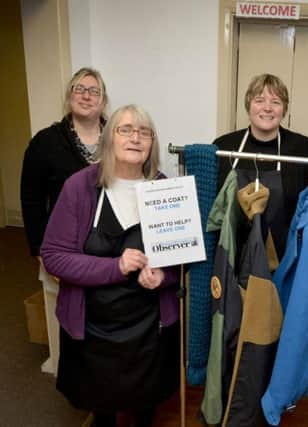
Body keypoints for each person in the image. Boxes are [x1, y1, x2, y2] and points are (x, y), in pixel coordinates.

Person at [40, 105, 180, 427]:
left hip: (149, 329)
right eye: (126, 129)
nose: (135, 138)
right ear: (109, 139)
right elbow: (55, 256)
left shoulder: (165, 189)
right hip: (93, 330)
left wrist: (163, 276)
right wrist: (115, 266)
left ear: (152, 143)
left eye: (144, 132)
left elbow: (183, 258)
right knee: (101, 410)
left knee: (147, 406)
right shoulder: (79, 187)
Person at [214, 73, 308, 262]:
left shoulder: (304, 149)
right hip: (232, 258)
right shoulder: (223, 147)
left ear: (284, 110)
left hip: (287, 259)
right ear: (248, 106)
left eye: (275, 102)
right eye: (259, 100)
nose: (267, 108)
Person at [21, 67, 109, 259]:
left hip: (112, 249)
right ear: (70, 97)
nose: (86, 96)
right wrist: (40, 251)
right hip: (62, 247)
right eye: (79, 89)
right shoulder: (44, 142)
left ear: (103, 102)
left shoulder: (118, 140)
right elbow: (32, 200)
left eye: (94, 92)